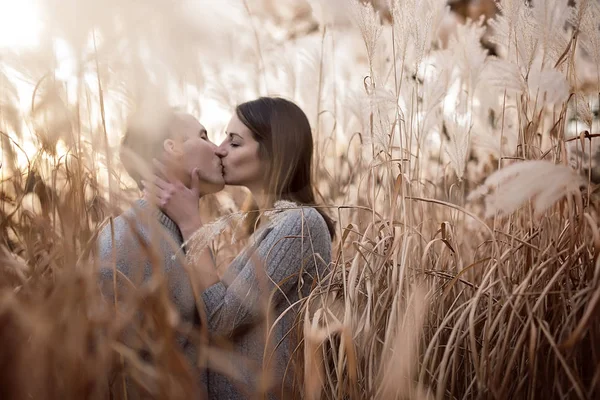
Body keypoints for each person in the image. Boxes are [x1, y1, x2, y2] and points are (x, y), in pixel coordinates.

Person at [145, 97, 335, 399]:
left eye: (234, 143)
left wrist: (191, 222)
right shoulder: (269, 226)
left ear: (274, 152)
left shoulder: (300, 225)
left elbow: (218, 319)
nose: (219, 149)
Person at [96, 106, 224, 398]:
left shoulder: (187, 231)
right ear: (172, 146)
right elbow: (112, 364)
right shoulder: (125, 238)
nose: (218, 149)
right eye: (204, 136)